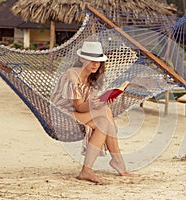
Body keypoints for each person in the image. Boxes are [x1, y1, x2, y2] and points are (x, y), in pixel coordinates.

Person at [51, 41, 129, 184]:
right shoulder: (72, 76)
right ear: (81, 59)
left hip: (77, 115)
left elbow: (88, 106)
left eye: (98, 61)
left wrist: (103, 99)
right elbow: (79, 107)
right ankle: (117, 160)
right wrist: (101, 101)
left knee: (103, 122)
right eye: (91, 60)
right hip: (62, 115)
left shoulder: (90, 79)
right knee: (104, 112)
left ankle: (87, 170)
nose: (95, 64)